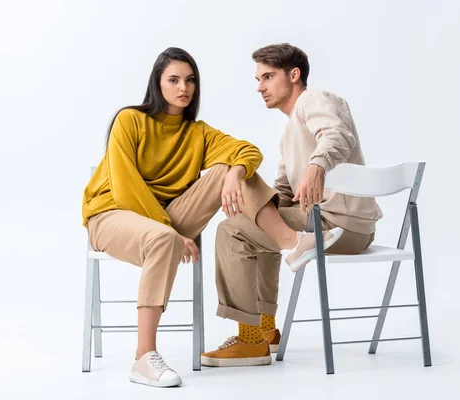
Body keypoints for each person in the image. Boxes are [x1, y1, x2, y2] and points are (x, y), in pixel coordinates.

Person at [81, 47, 343, 387]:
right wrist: (168, 232)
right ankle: (143, 357)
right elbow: (128, 188)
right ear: (157, 83)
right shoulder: (130, 120)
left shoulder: (197, 133)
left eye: (189, 80)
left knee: (232, 168)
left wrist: (234, 172)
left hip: (166, 218)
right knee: (162, 237)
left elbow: (249, 151)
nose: (183, 88)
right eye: (173, 80)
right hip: (114, 214)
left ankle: (291, 243)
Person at [201, 43, 382, 367]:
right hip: (335, 224)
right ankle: (266, 331)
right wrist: (255, 203)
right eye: (258, 79)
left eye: (268, 77)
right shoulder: (289, 131)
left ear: (294, 75)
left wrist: (317, 166)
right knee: (255, 221)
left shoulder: (315, 99)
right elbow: (284, 189)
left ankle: (250, 339)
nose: (260, 87)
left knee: (232, 232)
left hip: (338, 225)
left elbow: (338, 136)